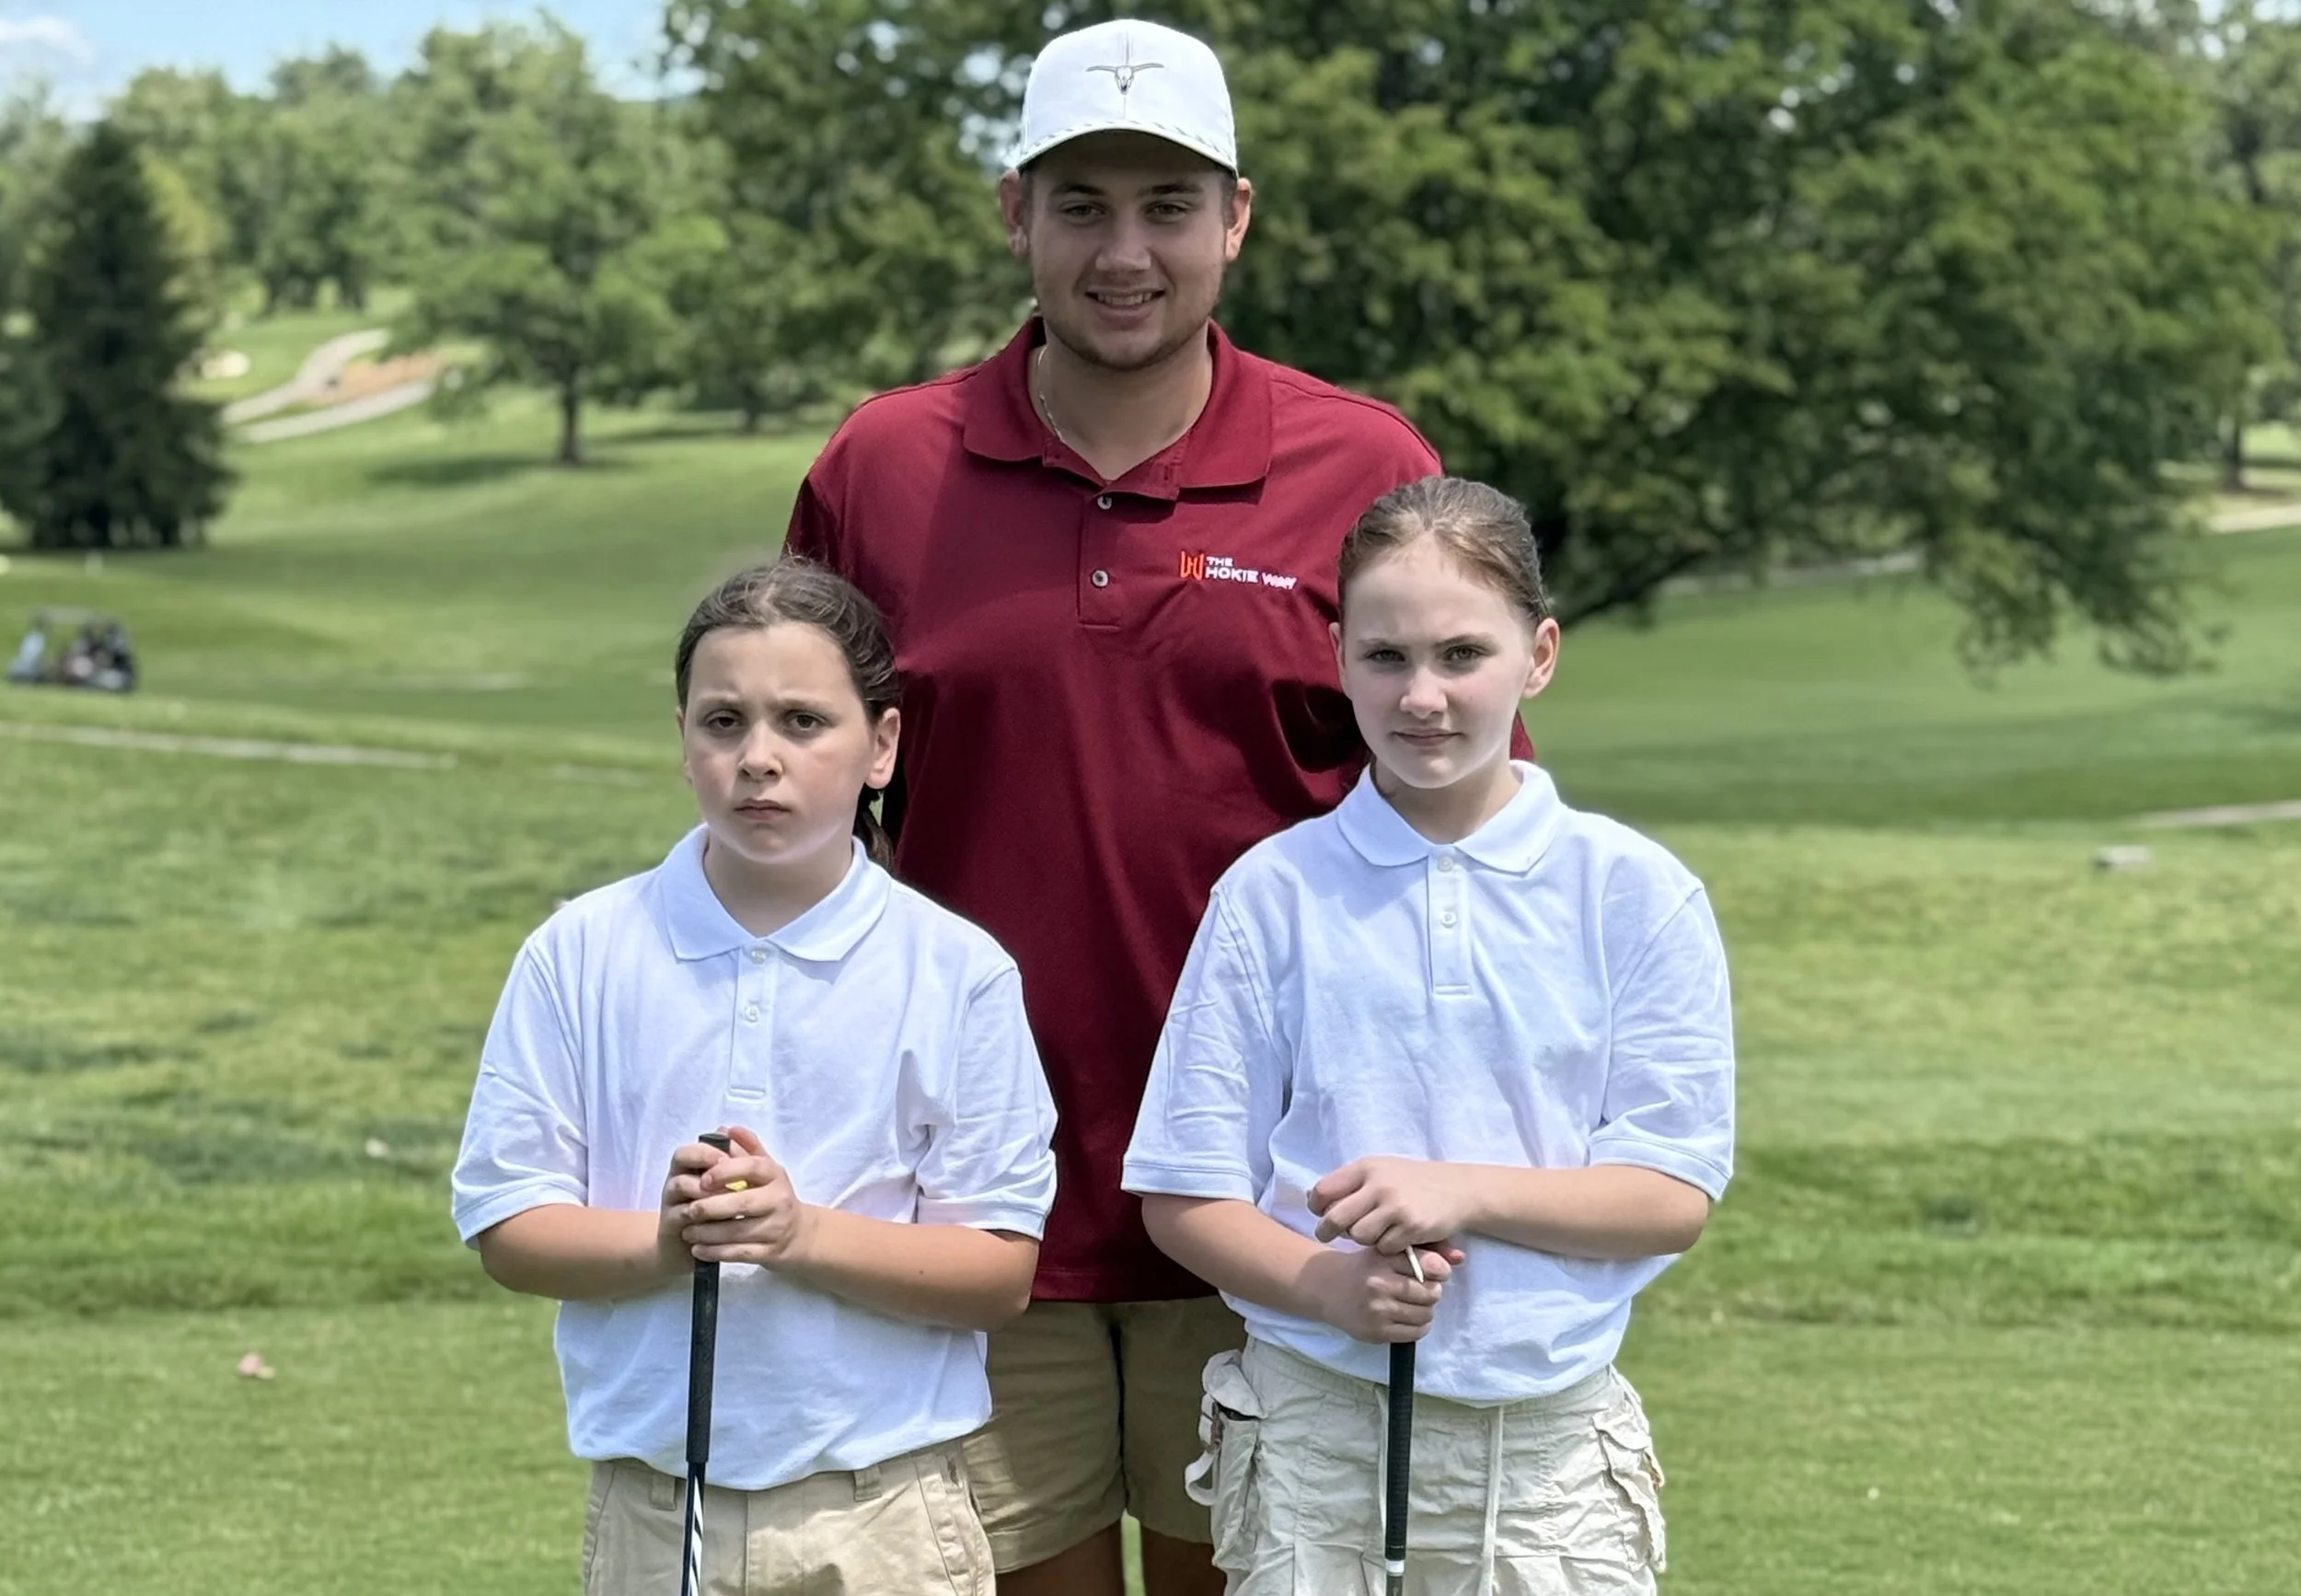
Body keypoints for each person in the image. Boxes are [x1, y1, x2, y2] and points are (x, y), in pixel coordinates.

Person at [784, 20, 1528, 1593]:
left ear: (1236, 219)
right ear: (1016, 214)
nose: (1127, 252)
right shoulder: (884, 464)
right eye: (1083, 205)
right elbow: (801, 813)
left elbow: (1453, 794)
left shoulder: (1361, 461)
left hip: (1274, 1203)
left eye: (1169, 207)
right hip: (971, 1197)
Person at [1122, 477, 1736, 1594]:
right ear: (1336, 654)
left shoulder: (1633, 892)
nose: (1423, 697)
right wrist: (1324, 1288)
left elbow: (1669, 1193)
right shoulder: (1274, 893)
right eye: (1385, 657)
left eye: (1463, 655)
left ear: (1537, 654)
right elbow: (1183, 1192)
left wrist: (1459, 1191)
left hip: (1549, 1456)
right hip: (1318, 1436)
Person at [450, 559, 1058, 1595]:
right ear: (682, 738)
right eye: (722, 722)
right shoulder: (582, 951)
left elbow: (996, 1269)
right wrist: (666, 1241)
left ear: (883, 746)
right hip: (655, 1507)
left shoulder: (954, 971)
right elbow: (510, 1224)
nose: (758, 759)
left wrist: (797, 1234)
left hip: (884, 1513)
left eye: (803, 723)